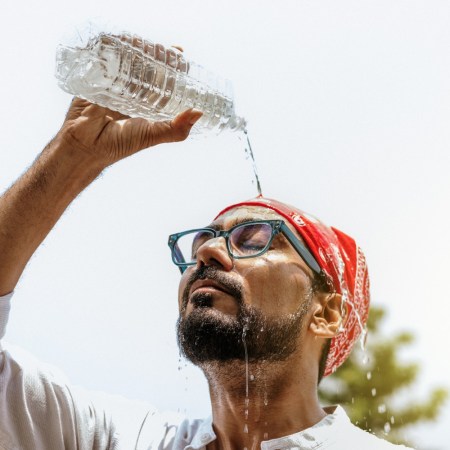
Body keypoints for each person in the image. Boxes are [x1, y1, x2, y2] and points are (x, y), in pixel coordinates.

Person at [0, 98, 413, 449]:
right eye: (200, 245)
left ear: (325, 314)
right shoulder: (126, 438)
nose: (209, 252)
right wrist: (71, 155)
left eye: (254, 239)